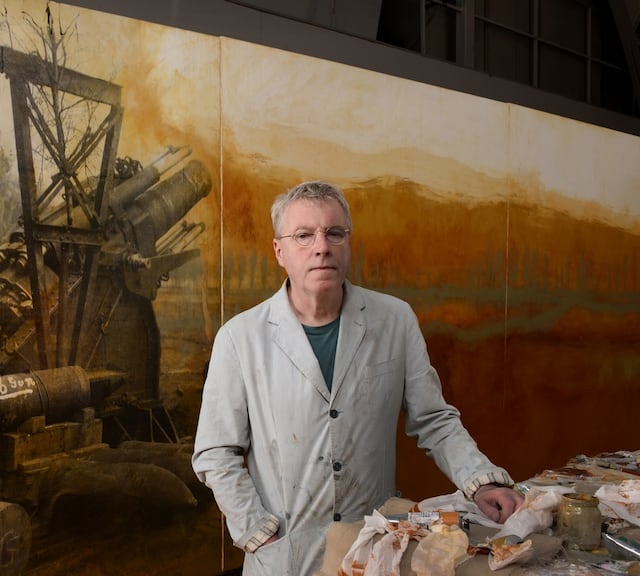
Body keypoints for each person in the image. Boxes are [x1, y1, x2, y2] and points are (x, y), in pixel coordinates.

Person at [191, 181, 523, 575]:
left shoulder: (394, 320)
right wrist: (257, 530)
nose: (321, 246)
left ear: (348, 242)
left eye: (334, 233)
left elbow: (434, 419)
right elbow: (215, 452)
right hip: (284, 555)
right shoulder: (240, 337)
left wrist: (480, 482)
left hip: (373, 547)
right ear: (279, 250)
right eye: (303, 235)